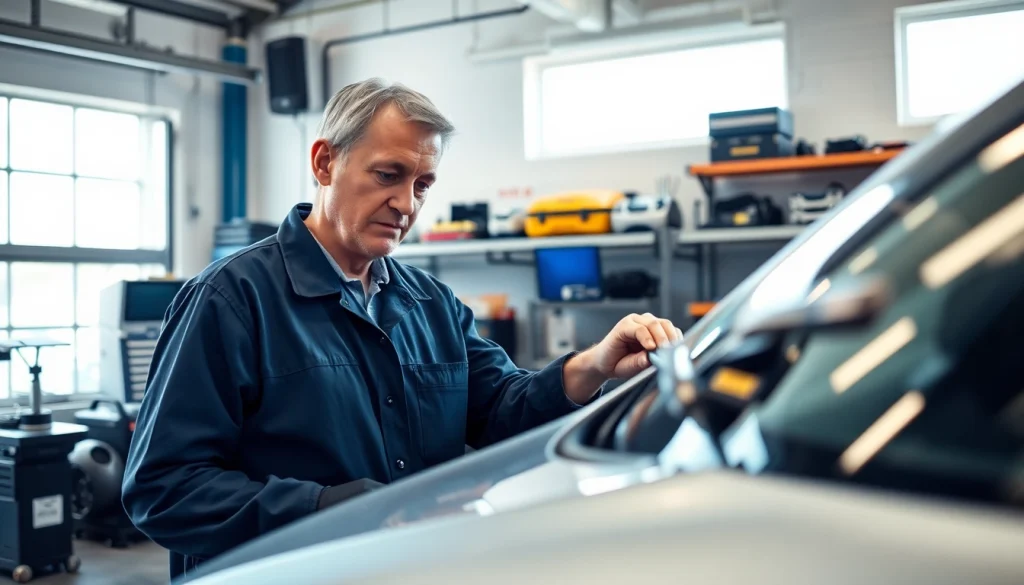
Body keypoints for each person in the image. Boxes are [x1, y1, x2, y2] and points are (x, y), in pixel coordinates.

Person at [121, 78, 682, 580]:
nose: (406, 204)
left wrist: (595, 364)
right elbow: (165, 488)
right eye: (388, 175)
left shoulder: (429, 302)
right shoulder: (231, 300)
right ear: (324, 163)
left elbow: (502, 408)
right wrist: (332, 508)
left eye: (422, 185)